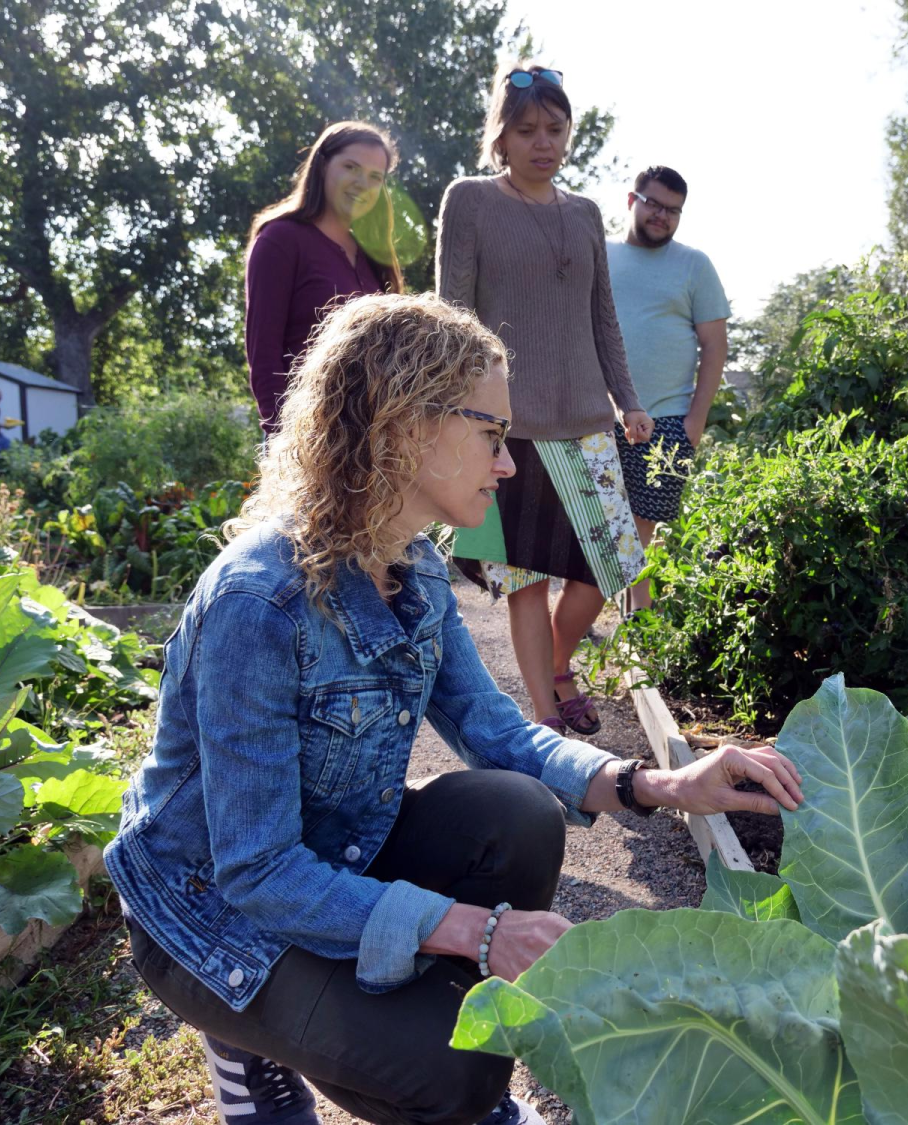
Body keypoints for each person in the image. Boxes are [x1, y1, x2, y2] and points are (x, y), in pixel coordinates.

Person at [102, 292, 803, 1125]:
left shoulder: (416, 569)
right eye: (492, 435)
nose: (507, 464)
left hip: (331, 860)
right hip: (209, 915)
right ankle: (252, 1036)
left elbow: (496, 732)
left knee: (516, 812)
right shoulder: (261, 604)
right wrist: (475, 931)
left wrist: (660, 783)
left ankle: (363, 1027)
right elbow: (254, 870)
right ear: (405, 426)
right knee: (454, 1076)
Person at [436, 62, 651, 738]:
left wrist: (629, 400)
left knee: (611, 563)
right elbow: (453, 313)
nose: (543, 142)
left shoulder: (585, 214)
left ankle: (561, 663)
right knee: (525, 578)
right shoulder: (470, 200)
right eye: (526, 129)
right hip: (508, 426)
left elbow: (603, 317)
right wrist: (457, 410)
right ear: (499, 137)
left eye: (555, 129)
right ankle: (546, 714)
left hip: (587, 421)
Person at [605, 166, 730, 612]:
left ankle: (640, 627)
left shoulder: (694, 265)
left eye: (673, 210)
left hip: (668, 418)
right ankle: (595, 621)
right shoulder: (599, 255)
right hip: (597, 416)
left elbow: (715, 347)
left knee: (647, 529)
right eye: (654, 204)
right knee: (600, 527)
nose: (662, 215)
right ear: (631, 199)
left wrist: (695, 422)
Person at [244, 120, 405, 434]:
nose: (363, 183)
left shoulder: (374, 255)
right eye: (351, 167)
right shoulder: (280, 239)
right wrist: (286, 442)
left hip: (370, 441)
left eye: (376, 177)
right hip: (306, 438)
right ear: (321, 166)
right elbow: (264, 356)